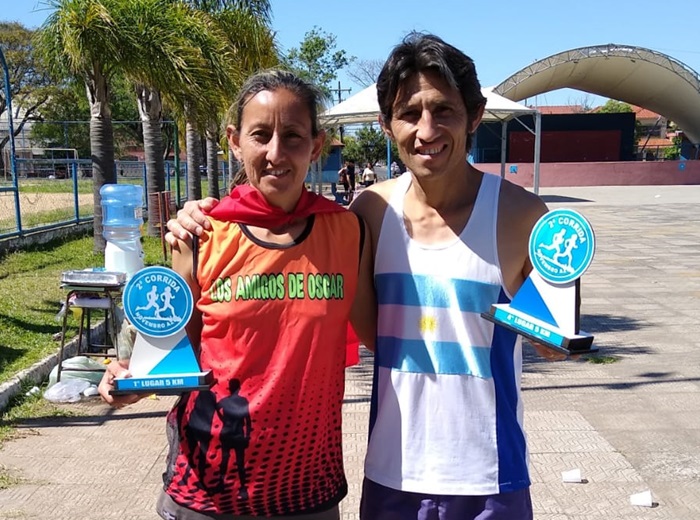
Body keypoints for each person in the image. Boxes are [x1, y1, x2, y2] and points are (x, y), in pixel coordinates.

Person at [168, 33, 568, 520]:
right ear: (386, 124)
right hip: (391, 476)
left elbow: (556, 341)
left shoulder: (524, 217)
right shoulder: (368, 214)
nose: (426, 130)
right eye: (409, 113)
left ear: (474, 115)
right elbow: (369, 332)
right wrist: (197, 218)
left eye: (443, 110)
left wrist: (557, 311)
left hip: (490, 475)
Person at [99, 69, 375, 520]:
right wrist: (132, 381)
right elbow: (175, 352)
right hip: (208, 488)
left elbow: (380, 335)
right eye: (260, 135)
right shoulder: (200, 235)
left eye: (293, 136)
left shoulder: (348, 231)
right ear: (234, 141)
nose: (275, 152)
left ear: (316, 145)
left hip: (307, 486)